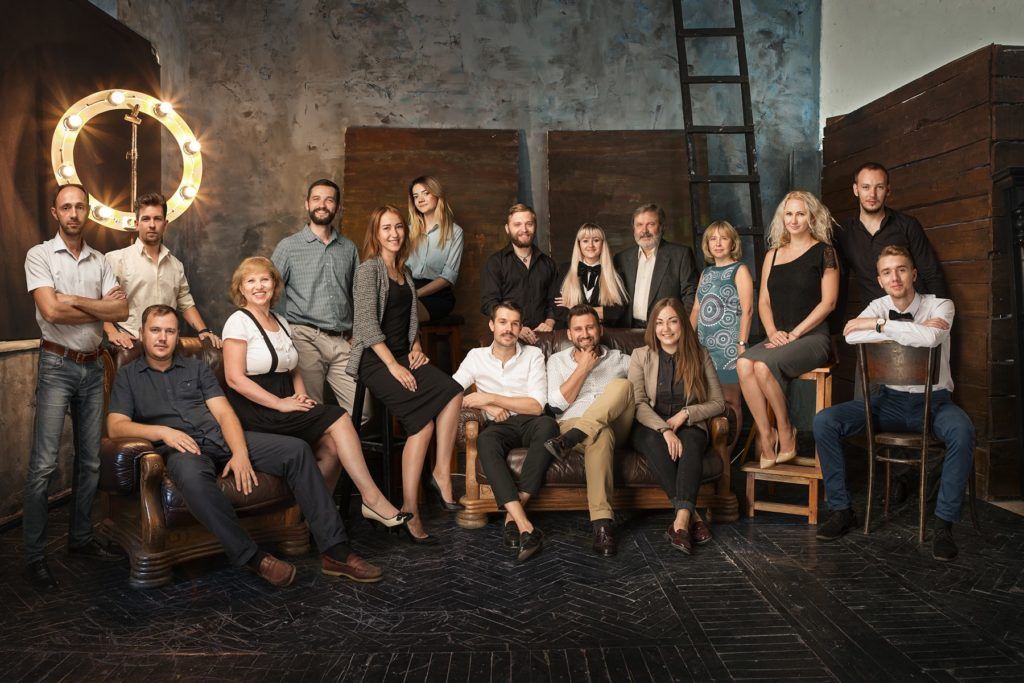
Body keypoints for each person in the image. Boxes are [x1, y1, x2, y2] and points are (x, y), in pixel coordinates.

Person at [108, 305, 383, 585]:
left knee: (297, 451)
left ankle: (335, 551)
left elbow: (225, 414)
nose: (162, 338)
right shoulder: (128, 376)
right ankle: (253, 557)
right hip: (182, 450)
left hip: (221, 437)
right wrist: (163, 432)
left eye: (170, 331)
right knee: (192, 478)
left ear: (178, 335)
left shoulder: (196, 368)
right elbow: (116, 425)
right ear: (142, 333)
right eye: (155, 330)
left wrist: (240, 454)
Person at [221, 256, 410, 531]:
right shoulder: (238, 322)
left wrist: (300, 396)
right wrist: (279, 403)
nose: (258, 286)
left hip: (284, 401)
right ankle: (372, 499)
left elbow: (293, 368)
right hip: (256, 410)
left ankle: (308, 520)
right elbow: (234, 379)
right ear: (241, 288)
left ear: (274, 285)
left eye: (264, 279)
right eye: (251, 281)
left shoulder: (281, 321)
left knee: (332, 448)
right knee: (339, 416)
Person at [813, 246, 972, 561]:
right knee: (824, 421)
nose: (895, 277)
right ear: (880, 280)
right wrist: (900, 327)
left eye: (901, 269)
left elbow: (931, 339)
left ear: (913, 274)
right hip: (889, 403)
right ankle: (842, 511)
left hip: (934, 403)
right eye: (887, 272)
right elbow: (849, 335)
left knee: (963, 431)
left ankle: (943, 525)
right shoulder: (878, 305)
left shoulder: (941, 305)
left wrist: (880, 327)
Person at [23, 183, 129, 589]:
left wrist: (76, 300)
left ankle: (81, 539)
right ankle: (34, 556)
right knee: (44, 466)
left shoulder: (101, 261)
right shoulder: (39, 255)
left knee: (90, 462)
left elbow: (121, 309)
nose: (73, 213)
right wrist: (96, 307)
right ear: (55, 213)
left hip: (93, 366)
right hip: (57, 365)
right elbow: (51, 311)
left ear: (88, 212)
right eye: (66, 207)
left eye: (79, 207)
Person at [348, 206, 464, 543]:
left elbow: (410, 319)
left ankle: (440, 472)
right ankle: (411, 511)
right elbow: (366, 325)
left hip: (402, 355)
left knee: (454, 390)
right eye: (386, 228)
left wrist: (415, 346)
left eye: (399, 227)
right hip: (375, 360)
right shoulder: (368, 270)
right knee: (423, 425)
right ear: (375, 233)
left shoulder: (405, 272)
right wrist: (393, 365)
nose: (394, 234)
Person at [737, 191, 839, 469]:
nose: (794, 220)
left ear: (812, 218)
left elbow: (828, 303)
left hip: (812, 337)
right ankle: (767, 434)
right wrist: (772, 332)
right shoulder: (772, 255)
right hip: (779, 336)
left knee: (763, 367)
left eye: (800, 214)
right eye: (789, 214)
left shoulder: (825, 252)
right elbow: (763, 301)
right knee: (744, 363)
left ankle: (786, 430)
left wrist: (795, 334)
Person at [453, 300, 558, 562]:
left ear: (521, 328)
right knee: (485, 442)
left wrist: (491, 397)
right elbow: (451, 393)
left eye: (514, 323)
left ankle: (513, 518)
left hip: (531, 422)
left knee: (549, 425)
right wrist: (485, 404)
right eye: (502, 322)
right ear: (492, 325)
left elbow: (536, 406)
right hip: (499, 427)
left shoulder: (533, 355)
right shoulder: (476, 357)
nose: (508, 329)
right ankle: (526, 526)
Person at [631, 297, 725, 554]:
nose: (666, 328)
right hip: (650, 424)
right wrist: (664, 430)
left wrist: (686, 413)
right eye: (660, 323)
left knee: (692, 443)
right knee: (653, 442)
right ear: (653, 327)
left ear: (682, 324)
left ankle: (680, 523)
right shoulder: (640, 355)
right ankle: (692, 517)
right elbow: (638, 403)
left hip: (689, 423)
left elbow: (718, 403)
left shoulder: (700, 354)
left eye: (672, 321)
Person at [543, 304, 634, 557]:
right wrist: (583, 367)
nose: (585, 334)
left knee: (624, 386)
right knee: (600, 434)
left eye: (590, 327)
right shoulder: (557, 361)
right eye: (578, 329)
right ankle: (602, 526)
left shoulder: (620, 359)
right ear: (569, 334)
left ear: (600, 329)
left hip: (614, 425)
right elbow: (556, 406)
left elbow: (650, 379)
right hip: (572, 423)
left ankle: (571, 439)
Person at [271, 179, 360, 410]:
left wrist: (356, 334)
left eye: (329, 200)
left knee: (362, 411)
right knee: (311, 408)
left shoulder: (348, 248)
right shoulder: (288, 247)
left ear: (337, 207)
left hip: (342, 341)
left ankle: (338, 436)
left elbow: (358, 295)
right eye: (316, 199)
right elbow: (269, 292)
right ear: (307, 204)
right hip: (304, 338)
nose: (322, 205)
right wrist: (283, 334)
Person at [103, 192, 221, 349]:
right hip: (131, 346)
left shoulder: (176, 265)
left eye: (157, 219)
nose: (152, 225)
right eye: (146, 219)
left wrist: (204, 330)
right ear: (136, 223)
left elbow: (185, 303)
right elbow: (101, 304)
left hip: (166, 347)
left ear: (165, 224)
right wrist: (112, 332)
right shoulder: (116, 259)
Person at [836, 162, 948, 303]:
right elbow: (840, 280)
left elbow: (931, 273)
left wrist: (940, 311)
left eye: (879, 187)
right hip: (875, 313)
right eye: (866, 187)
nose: (872, 194)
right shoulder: (843, 232)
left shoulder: (908, 225)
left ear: (888, 190)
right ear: (855, 189)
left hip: (916, 310)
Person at [689, 220, 754, 451]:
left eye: (723, 238)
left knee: (731, 401)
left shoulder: (739, 270)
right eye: (713, 239)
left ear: (732, 243)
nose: (718, 243)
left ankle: (727, 456)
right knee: (708, 401)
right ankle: (713, 450)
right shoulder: (706, 273)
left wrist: (741, 344)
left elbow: (747, 309)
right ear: (707, 244)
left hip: (730, 347)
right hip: (704, 347)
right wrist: (687, 341)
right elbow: (696, 310)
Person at [480, 203, 560, 343]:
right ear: (507, 228)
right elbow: (489, 303)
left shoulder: (548, 263)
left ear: (535, 226)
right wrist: (515, 327)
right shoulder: (495, 263)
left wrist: (549, 322)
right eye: (517, 224)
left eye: (529, 224)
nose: (524, 229)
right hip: (508, 337)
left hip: (543, 336)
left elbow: (554, 300)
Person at [613, 203, 698, 328]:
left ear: (662, 226)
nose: (644, 231)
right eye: (639, 225)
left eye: (651, 224)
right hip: (629, 330)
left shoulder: (680, 255)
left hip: (666, 330)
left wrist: (683, 327)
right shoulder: (622, 258)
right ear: (634, 229)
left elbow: (690, 295)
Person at [407, 176, 464, 322]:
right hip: (407, 290)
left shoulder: (455, 232)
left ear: (437, 195)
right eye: (416, 196)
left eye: (425, 193)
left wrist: (416, 293)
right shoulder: (407, 231)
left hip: (438, 295)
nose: (420, 199)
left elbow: (448, 278)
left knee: (405, 312)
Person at [554, 222, 628, 327]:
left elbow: (617, 312)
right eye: (585, 241)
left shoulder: (615, 273)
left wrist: (575, 308)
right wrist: (599, 313)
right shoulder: (565, 270)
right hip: (573, 332)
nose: (591, 245)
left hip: (604, 332)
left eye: (596, 240)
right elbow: (559, 310)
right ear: (579, 244)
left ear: (603, 244)